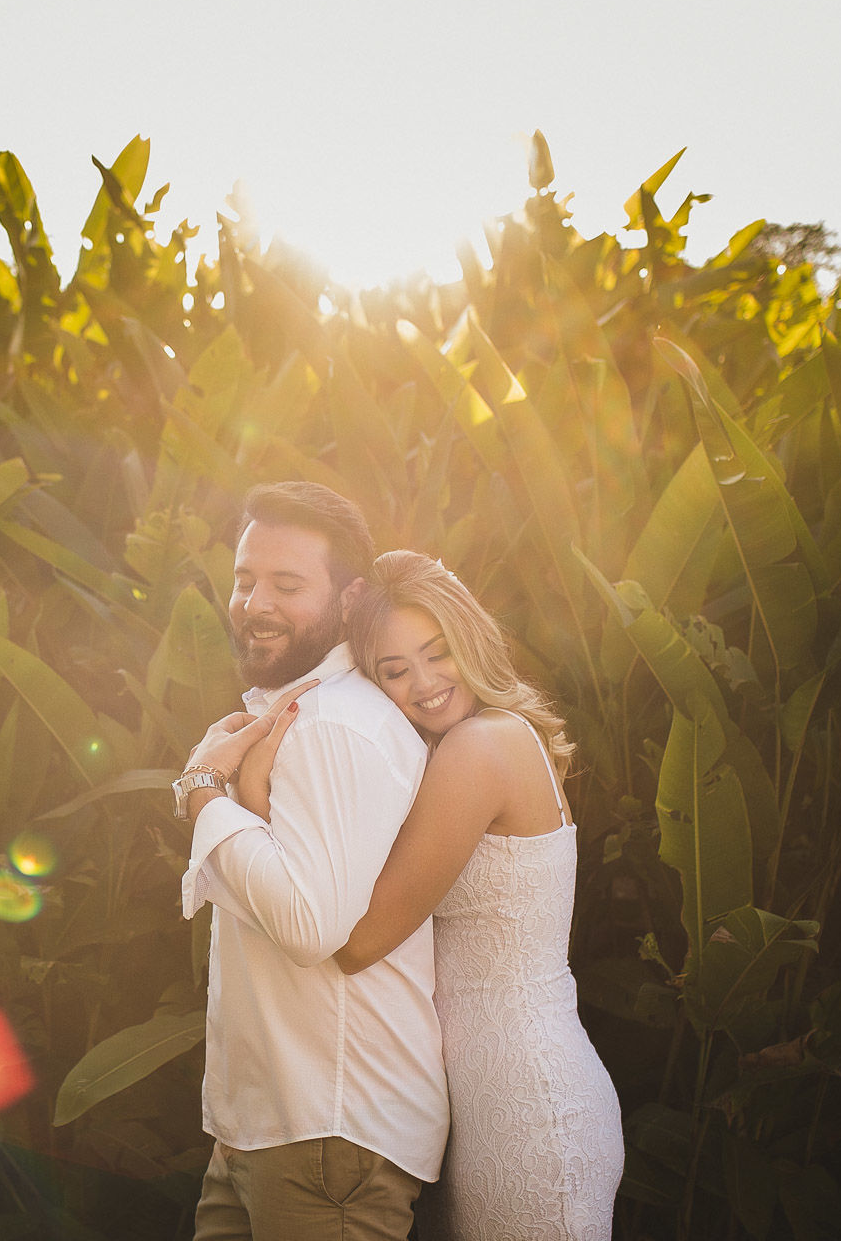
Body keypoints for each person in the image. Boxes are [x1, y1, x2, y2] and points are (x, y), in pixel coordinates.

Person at [210, 549, 624, 1241]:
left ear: (473, 642)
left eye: (439, 655)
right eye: (394, 671)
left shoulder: (482, 748)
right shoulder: (467, 746)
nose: (425, 684)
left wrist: (233, 800)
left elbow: (360, 937)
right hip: (484, 1099)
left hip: (527, 1103)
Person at [177, 483, 449, 1241]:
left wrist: (203, 794)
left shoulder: (334, 725)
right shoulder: (293, 714)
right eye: (244, 579)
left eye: (287, 585)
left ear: (350, 597)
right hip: (268, 1127)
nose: (254, 602)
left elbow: (308, 925)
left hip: (329, 1132)